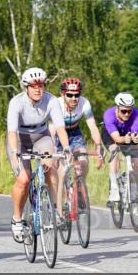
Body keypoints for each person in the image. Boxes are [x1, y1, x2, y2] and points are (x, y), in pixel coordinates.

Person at [6, 67, 71, 242]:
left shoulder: (51, 101)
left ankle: (52, 207)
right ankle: (17, 220)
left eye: (41, 85)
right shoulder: (17, 103)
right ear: (26, 88)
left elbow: (59, 128)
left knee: (49, 165)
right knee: (24, 179)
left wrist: (66, 148)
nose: (38, 89)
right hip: (19, 139)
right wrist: (14, 152)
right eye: (33, 86)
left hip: (41, 137)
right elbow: (11, 132)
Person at [52, 78, 105, 221]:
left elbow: (92, 126)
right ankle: (59, 212)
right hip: (57, 135)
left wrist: (99, 147)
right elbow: (51, 129)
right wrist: (52, 151)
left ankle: (79, 189)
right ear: (63, 94)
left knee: (83, 161)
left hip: (75, 134)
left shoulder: (85, 103)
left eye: (77, 94)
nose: (74, 98)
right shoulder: (55, 104)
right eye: (70, 95)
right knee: (61, 173)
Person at [102, 92, 138, 204]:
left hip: (127, 134)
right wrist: (124, 139)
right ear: (117, 108)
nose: (127, 114)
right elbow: (116, 138)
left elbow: (134, 132)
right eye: (123, 111)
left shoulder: (136, 114)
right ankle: (114, 188)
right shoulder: (109, 115)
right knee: (114, 150)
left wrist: (135, 138)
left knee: (137, 161)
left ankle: (134, 186)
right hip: (111, 135)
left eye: (129, 111)